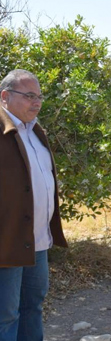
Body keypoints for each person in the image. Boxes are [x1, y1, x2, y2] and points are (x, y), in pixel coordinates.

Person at [0, 69, 68, 341]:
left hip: (38, 242)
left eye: (39, 96)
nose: (37, 102)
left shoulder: (36, 130)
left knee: (32, 307)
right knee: (5, 316)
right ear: (5, 96)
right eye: (29, 96)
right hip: (7, 243)